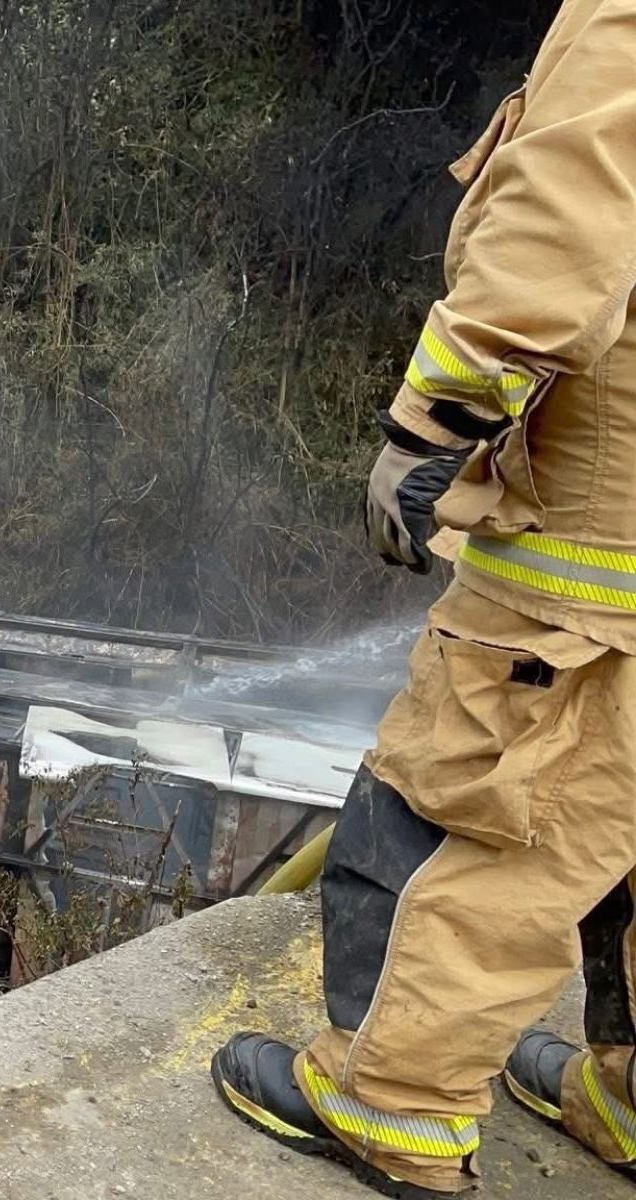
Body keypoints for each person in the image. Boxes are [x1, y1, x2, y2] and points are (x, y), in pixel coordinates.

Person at [213, 3, 636, 1195]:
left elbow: (562, 228)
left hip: (591, 561)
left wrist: (433, 425)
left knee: (485, 817)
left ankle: (390, 1100)